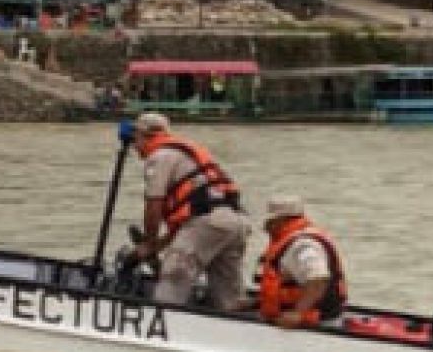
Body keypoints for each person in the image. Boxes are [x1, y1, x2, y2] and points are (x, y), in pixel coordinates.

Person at [131, 112, 248, 309]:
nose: (134, 146)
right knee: (227, 294)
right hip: (236, 222)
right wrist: (161, 243)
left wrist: (149, 243)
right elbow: (189, 217)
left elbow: (154, 204)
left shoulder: (160, 156)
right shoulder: (189, 153)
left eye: (136, 139)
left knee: (175, 274)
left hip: (207, 222)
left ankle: (164, 317)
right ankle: (232, 323)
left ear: (145, 135)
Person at [257, 195, 349, 328]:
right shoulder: (296, 237)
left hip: (317, 323)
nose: (265, 227)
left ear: (280, 220)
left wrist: (297, 313)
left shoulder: (302, 244)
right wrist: (256, 302)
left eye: (268, 222)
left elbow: (318, 279)